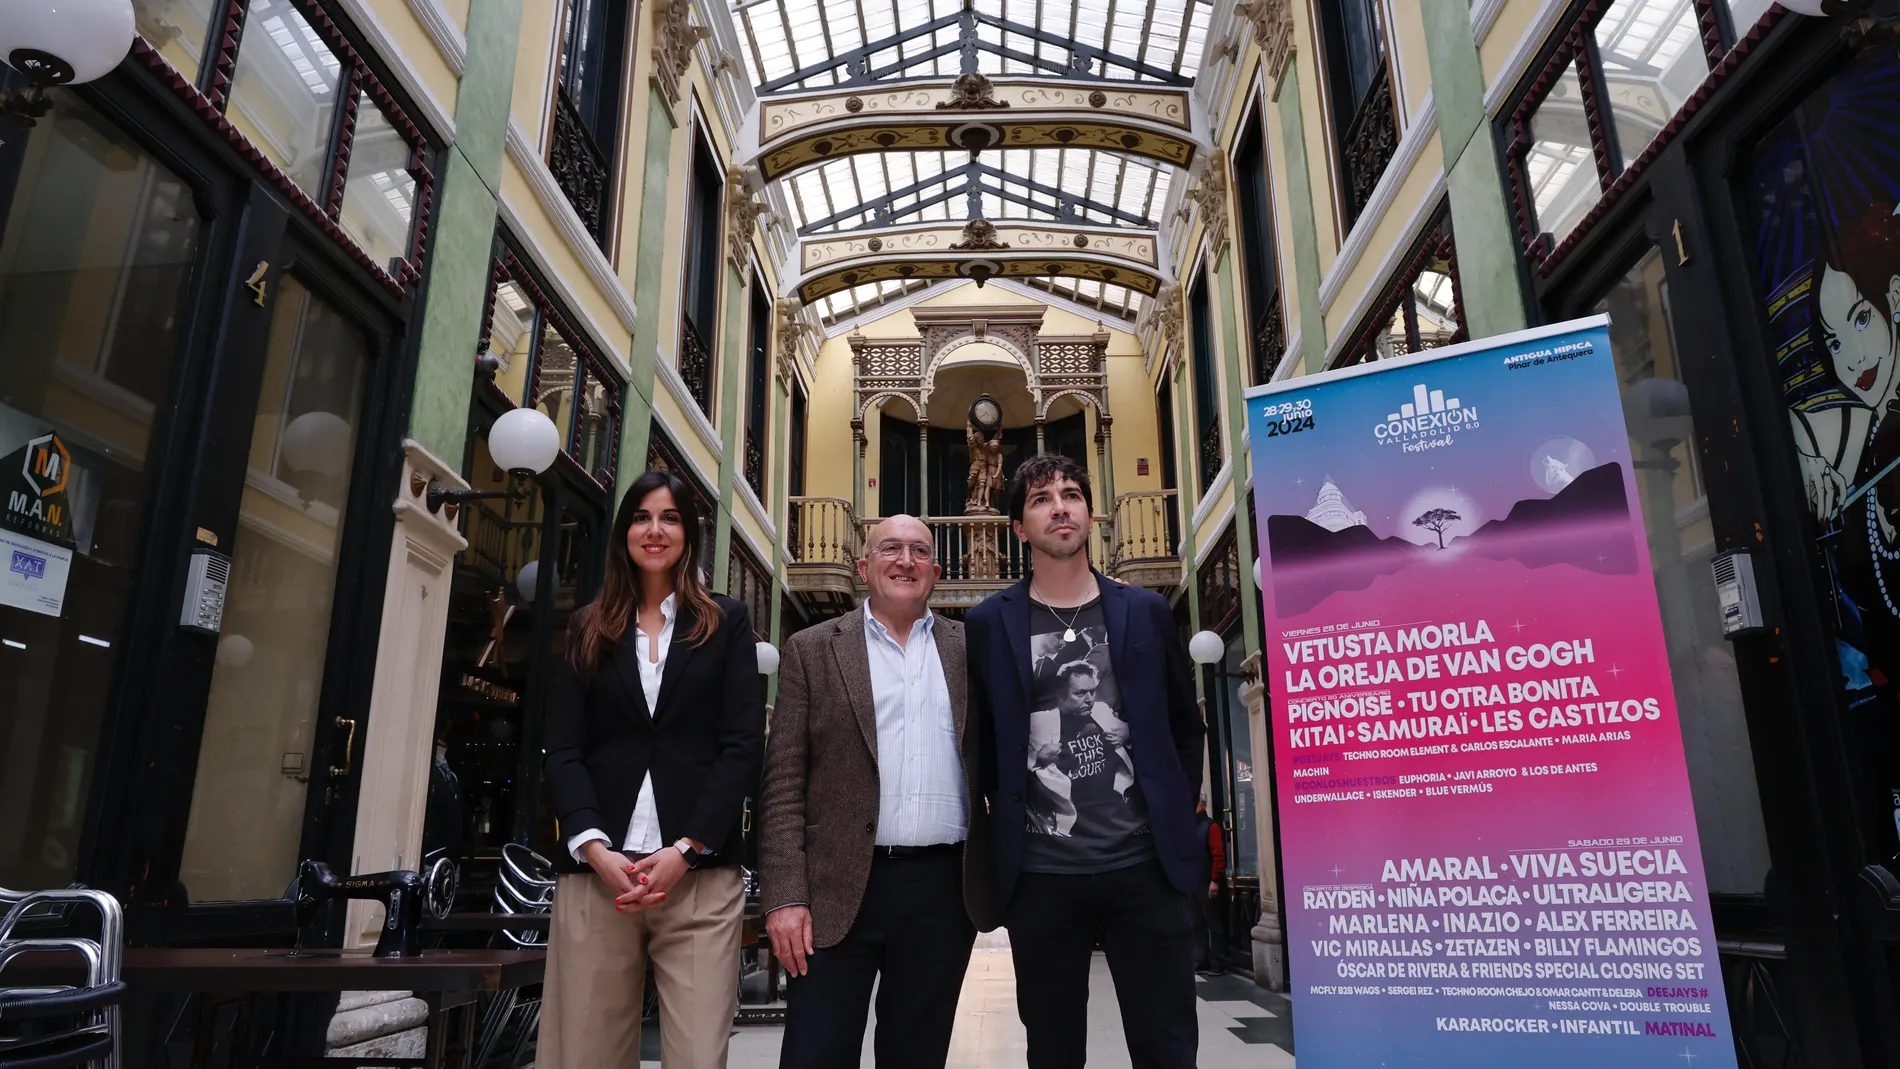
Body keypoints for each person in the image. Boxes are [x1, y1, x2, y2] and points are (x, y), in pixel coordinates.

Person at [966, 453, 1205, 1069]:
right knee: (1052, 1047)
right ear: (1020, 526)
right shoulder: (990, 623)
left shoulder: (1144, 611)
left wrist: (1176, 814)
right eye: (1041, 499)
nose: (1061, 507)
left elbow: (1184, 725)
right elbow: (981, 739)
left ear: (1091, 514)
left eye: (1071, 494)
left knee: (1167, 1043)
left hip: (1144, 868)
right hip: (1043, 874)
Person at [540, 469, 765, 1069]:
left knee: (695, 1055)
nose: (655, 529)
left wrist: (688, 846)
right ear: (624, 533)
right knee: (584, 1053)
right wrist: (592, 846)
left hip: (698, 878)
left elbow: (742, 746)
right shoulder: (588, 626)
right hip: (598, 878)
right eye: (641, 517)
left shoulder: (727, 621)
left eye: (669, 517)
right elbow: (562, 749)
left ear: (688, 533)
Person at [759, 516, 994, 1068]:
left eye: (919, 551)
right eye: (890, 549)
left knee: (917, 1055)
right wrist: (785, 896)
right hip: (833, 891)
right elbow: (783, 784)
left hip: (942, 891)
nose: (905, 561)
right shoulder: (811, 650)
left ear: (936, 572)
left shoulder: (972, 650)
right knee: (815, 1054)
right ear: (864, 568)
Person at [1190, 799, 1225, 976]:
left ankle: (1217, 962)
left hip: (1206, 881)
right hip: (1194, 881)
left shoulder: (1211, 827)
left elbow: (1218, 855)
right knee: (1197, 923)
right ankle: (1201, 958)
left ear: (1202, 805)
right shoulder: (1189, 827)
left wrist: (1215, 880)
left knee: (1213, 923)